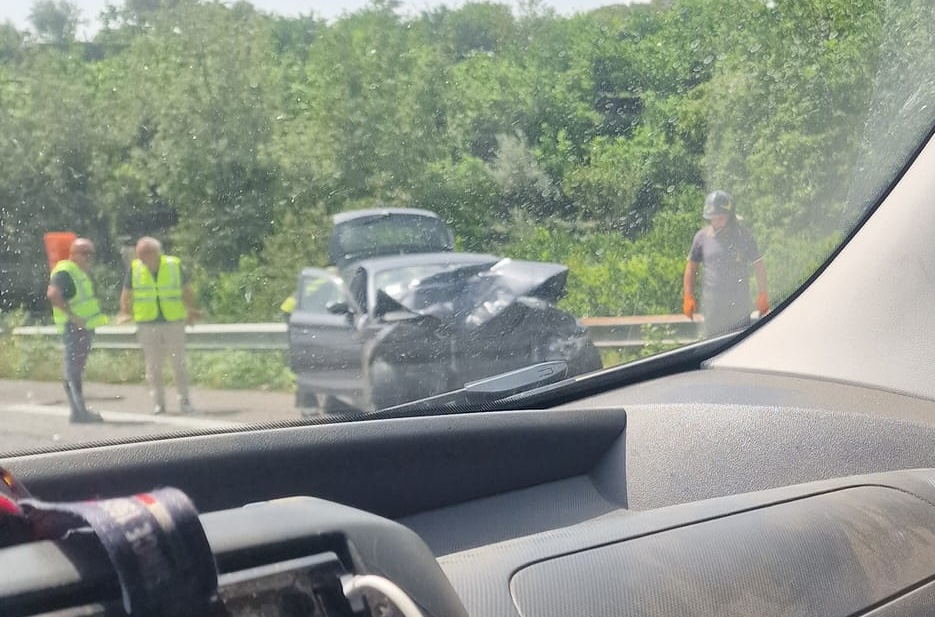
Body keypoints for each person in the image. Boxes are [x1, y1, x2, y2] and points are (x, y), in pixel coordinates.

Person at [119, 237, 201, 415]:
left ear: (155, 253)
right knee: (153, 367)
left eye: (144, 254)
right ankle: (159, 404)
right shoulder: (135, 268)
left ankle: (184, 402)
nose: (140, 258)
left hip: (173, 321)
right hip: (147, 323)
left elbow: (186, 289)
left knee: (178, 364)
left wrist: (190, 310)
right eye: (139, 254)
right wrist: (125, 312)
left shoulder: (173, 265)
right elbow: (126, 293)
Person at [683, 190, 769, 337]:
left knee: (741, 342)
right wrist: (688, 296)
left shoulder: (743, 235)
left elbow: (758, 265)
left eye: (721, 217)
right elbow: (691, 269)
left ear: (730, 216)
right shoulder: (701, 237)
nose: (717, 221)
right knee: (712, 344)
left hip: (739, 302)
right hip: (712, 304)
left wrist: (763, 294)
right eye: (713, 218)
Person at [46, 238, 107, 423]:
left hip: (82, 328)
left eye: (91, 254)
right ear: (73, 254)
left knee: (76, 369)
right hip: (74, 327)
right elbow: (53, 294)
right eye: (85, 253)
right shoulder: (65, 271)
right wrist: (73, 317)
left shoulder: (81, 273)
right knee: (73, 370)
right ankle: (79, 412)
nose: (89, 258)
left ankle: (78, 411)